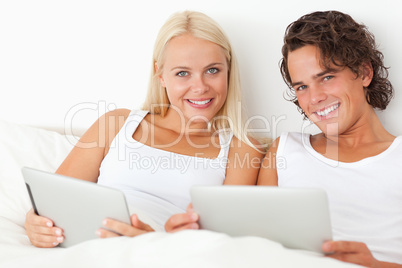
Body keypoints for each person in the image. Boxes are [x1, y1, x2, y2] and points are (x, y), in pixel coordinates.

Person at [24, 10, 264, 248]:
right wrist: (34, 223)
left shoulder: (243, 148)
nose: (199, 87)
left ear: (228, 70)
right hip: (94, 246)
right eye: (182, 73)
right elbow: (50, 200)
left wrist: (160, 242)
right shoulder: (116, 124)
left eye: (212, 70)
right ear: (160, 74)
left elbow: (224, 242)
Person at [257, 11, 402, 267]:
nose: (314, 99)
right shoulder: (285, 150)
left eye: (326, 77)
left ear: (365, 72)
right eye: (301, 86)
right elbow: (255, 247)